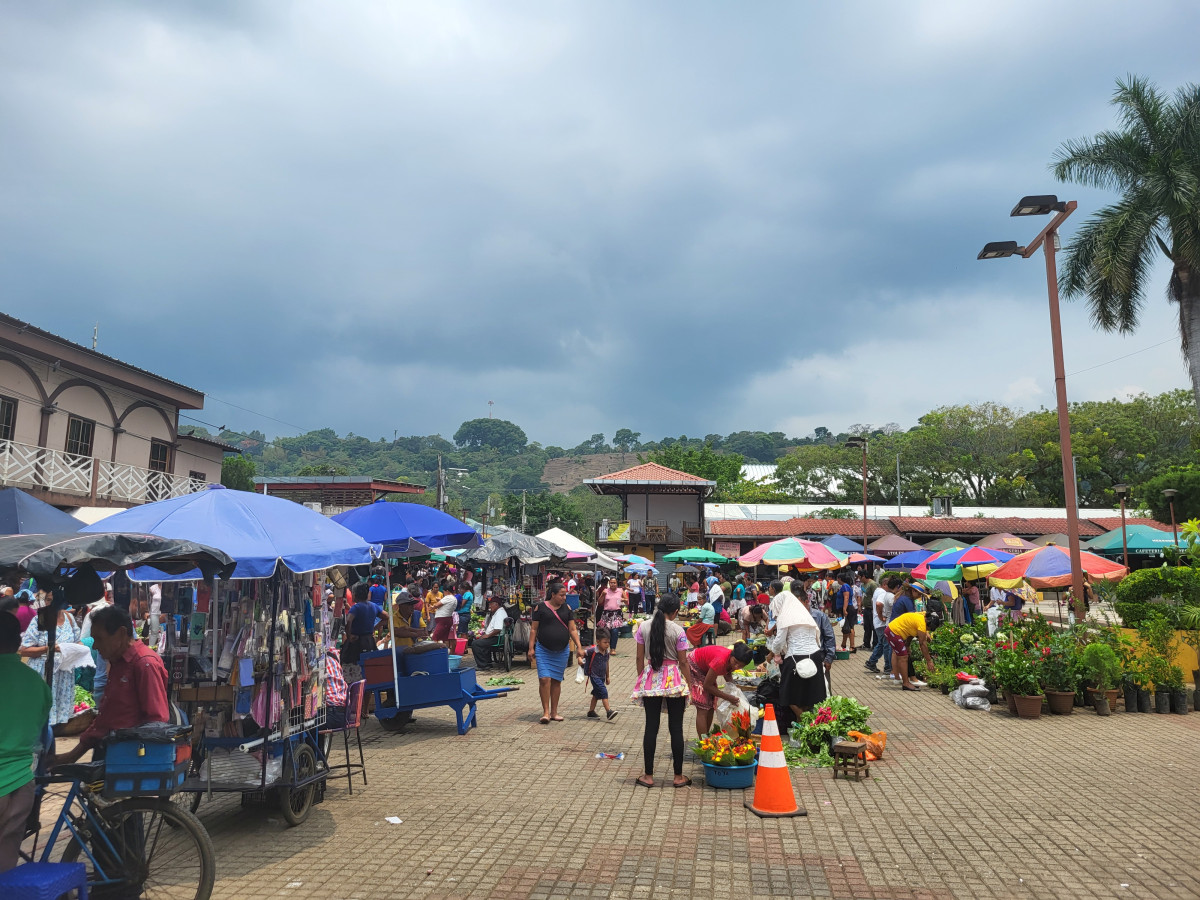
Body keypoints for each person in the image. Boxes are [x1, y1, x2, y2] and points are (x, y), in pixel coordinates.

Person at [54, 605, 169, 766]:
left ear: (121, 633)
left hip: (127, 760)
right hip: (110, 753)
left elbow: (156, 720)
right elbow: (107, 718)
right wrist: (72, 755)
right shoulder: (117, 661)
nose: (95, 647)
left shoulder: (144, 663)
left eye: (100, 639)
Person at [0, 610, 52, 873]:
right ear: (18, 641)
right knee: (5, 867)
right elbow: (43, 732)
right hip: (22, 786)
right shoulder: (36, 682)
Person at [631, 595, 692, 788]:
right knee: (676, 729)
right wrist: (689, 683)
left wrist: (643, 679)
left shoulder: (643, 627)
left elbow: (639, 658)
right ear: (674, 612)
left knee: (651, 727)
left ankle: (648, 776)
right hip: (673, 679)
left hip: (652, 678)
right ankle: (678, 776)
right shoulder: (678, 630)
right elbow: (683, 662)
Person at [767, 579, 826, 735]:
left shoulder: (785, 617)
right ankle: (803, 730)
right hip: (814, 657)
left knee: (788, 696)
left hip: (795, 658)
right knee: (807, 696)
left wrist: (775, 653)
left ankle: (806, 722)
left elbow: (779, 641)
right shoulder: (804, 614)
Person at [20, 602, 83, 726]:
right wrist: (50, 648)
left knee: (59, 721)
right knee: (42, 716)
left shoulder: (69, 618)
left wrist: (77, 648)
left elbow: (78, 641)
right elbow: (25, 650)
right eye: (49, 599)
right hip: (44, 672)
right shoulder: (42, 618)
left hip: (63, 675)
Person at [528, 581, 582, 724]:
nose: (564, 598)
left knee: (557, 681)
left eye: (565, 595)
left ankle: (554, 712)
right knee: (544, 679)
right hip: (543, 650)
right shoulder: (540, 608)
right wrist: (531, 647)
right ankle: (545, 712)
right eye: (562, 595)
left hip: (562, 651)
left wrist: (579, 647)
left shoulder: (567, 609)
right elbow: (534, 629)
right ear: (553, 595)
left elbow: (572, 629)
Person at [688, 641, 755, 737]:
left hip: (706, 669)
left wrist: (734, 690)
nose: (736, 666)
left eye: (740, 666)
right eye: (735, 662)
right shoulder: (720, 660)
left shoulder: (730, 661)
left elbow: (727, 673)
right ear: (732, 656)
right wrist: (728, 697)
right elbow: (707, 686)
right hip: (695, 665)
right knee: (703, 706)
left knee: (711, 705)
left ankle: (707, 738)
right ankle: (703, 743)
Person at [881, 610, 941, 691]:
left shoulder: (921, 617)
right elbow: (922, 644)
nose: (927, 630)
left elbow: (911, 632)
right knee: (903, 657)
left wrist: (907, 645)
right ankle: (906, 683)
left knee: (903, 655)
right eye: (928, 628)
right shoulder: (922, 624)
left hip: (892, 631)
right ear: (928, 623)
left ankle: (904, 681)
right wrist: (929, 661)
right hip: (893, 632)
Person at [342, 582, 389, 665]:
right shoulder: (373, 606)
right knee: (369, 665)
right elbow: (386, 617)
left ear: (355, 594)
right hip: (369, 641)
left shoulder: (356, 608)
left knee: (353, 665)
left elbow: (348, 621)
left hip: (356, 642)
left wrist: (349, 636)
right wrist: (374, 627)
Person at [864, 577, 898, 675]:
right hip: (881, 623)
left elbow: (873, 602)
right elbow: (879, 604)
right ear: (884, 585)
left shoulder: (877, 591)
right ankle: (887, 667)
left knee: (882, 644)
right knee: (886, 645)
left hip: (878, 622)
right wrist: (881, 616)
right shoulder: (882, 593)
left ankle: (872, 662)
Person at [584, 628, 617, 721]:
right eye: (605, 642)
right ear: (598, 642)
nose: (607, 645)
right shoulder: (592, 651)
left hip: (602, 676)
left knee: (596, 694)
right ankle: (608, 711)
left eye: (608, 642)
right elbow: (582, 653)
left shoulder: (606, 652)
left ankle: (591, 711)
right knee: (603, 691)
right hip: (594, 676)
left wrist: (607, 676)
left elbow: (606, 664)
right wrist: (579, 659)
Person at [472, 595, 509, 669]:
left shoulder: (499, 613)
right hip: (496, 636)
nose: (490, 606)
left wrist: (487, 636)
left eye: (491, 604)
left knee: (475, 644)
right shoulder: (499, 612)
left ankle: (483, 665)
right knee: (481, 641)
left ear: (496, 604)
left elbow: (498, 629)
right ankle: (487, 662)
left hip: (497, 637)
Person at [595, 576, 626, 654]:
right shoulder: (605, 591)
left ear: (617, 583)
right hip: (606, 614)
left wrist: (624, 600)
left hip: (616, 614)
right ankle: (604, 648)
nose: (613, 584)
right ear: (609, 583)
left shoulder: (620, 591)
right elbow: (599, 602)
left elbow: (627, 602)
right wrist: (602, 595)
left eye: (614, 583)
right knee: (606, 632)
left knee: (615, 631)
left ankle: (613, 648)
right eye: (611, 583)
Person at [323, 645, 349, 729]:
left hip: (333, 714)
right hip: (344, 712)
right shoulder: (334, 658)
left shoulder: (321, 663)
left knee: (304, 725)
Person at [837, 574, 857, 653]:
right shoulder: (845, 586)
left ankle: (852, 646)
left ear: (840, 578)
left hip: (848, 608)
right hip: (846, 608)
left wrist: (844, 609)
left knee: (850, 627)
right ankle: (843, 644)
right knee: (845, 627)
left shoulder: (845, 586)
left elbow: (846, 597)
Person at [860, 572, 878, 650]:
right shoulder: (862, 585)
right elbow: (862, 596)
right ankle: (866, 643)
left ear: (864, 576)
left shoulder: (872, 584)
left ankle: (875, 645)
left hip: (872, 609)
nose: (859, 579)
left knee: (873, 627)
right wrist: (860, 605)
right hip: (866, 608)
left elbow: (876, 596)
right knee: (866, 627)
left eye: (860, 577)